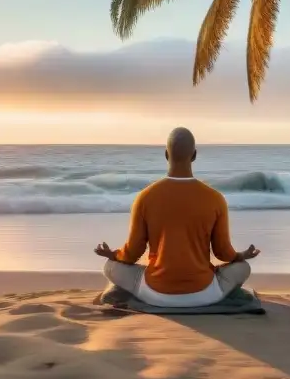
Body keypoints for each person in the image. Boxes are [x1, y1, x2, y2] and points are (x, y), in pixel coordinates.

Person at [94, 127, 260, 307]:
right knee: (243, 267)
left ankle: (121, 291)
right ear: (194, 155)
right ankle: (229, 294)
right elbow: (223, 253)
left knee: (110, 267)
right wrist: (241, 255)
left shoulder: (145, 197)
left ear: (166, 154)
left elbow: (132, 254)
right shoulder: (215, 198)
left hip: (155, 294)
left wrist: (112, 254)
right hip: (205, 293)